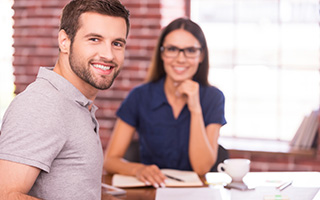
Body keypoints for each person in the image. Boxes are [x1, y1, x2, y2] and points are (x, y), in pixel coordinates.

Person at [0, 0, 129, 199]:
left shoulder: (74, 103)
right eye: (94, 39)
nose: (108, 54)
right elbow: (6, 195)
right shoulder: (41, 104)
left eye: (117, 43)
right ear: (64, 41)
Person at [104, 17, 226, 188]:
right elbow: (110, 161)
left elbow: (202, 168)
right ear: (162, 54)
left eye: (190, 50)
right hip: (152, 191)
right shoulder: (139, 96)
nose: (180, 59)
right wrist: (138, 169)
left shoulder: (213, 97)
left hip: (196, 194)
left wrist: (195, 108)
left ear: (201, 55)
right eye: (172, 49)